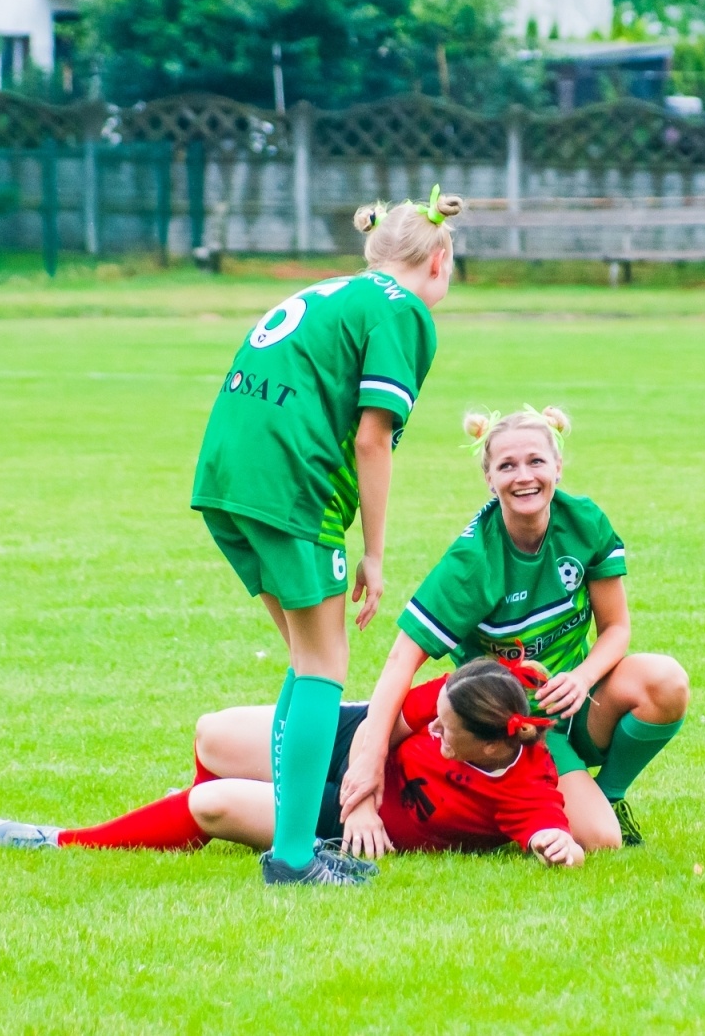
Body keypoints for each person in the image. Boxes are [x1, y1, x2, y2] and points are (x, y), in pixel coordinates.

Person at [190, 185, 461, 885]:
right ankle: (293, 857)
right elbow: (374, 440)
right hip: (290, 488)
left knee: (306, 660)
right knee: (322, 668)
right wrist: (373, 551)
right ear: (440, 258)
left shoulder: (334, 291)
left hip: (227, 476)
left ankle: (292, 841)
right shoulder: (404, 312)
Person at [337, 407, 689, 851]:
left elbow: (616, 628)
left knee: (667, 681)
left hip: (577, 698)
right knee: (601, 841)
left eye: (536, 461)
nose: (524, 476)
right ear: (489, 478)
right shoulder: (473, 563)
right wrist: (368, 760)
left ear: (557, 466)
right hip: (521, 726)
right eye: (507, 466)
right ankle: (567, 798)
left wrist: (581, 679)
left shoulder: (584, 522)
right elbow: (402, 657)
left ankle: (610, 795)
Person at [0, 657, 587, 873]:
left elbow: (552, 832)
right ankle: (187, 825)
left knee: (211, 804)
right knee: (211, 733)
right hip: (361, 753)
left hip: (349, 824)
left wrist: (563, 849)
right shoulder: (479, 690)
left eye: (446, 735)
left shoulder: (523, 787)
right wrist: (364, 791)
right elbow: (389, 723)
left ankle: (64, 842)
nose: (434, 731)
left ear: (488, 746)